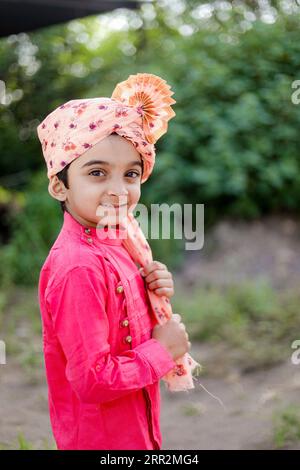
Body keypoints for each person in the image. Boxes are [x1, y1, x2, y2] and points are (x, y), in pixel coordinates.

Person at [37, 73, 191, 450]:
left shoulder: (119, 241)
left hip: (136, 429)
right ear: (60, 184)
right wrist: (162, 351)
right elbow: (92, 380)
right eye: (97, 173)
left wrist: (151, 286)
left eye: (131, 174)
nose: (119, 190)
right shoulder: (78, 266)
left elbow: (122, 314)